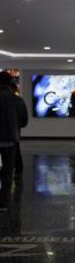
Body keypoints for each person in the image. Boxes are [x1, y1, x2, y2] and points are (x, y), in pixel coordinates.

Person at [0, 71, 28, 211]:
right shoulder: (17, 100)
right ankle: (4, 203)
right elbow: (24, 122)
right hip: (10, 140)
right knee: (7, 172)